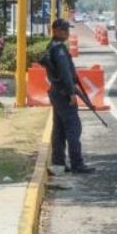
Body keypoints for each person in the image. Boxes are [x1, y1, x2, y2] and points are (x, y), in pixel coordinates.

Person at [45, 18, 95, 174]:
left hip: (57, 92)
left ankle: (58, 162)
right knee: (73, 128)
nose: (67, 33)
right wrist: (72, 93)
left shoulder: (52, 46)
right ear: (56, 30)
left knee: (59, 129)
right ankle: (77, 163)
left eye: (68, 30)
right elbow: (66, 73)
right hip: (64, 93)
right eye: (64, 30)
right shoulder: (59, 49)